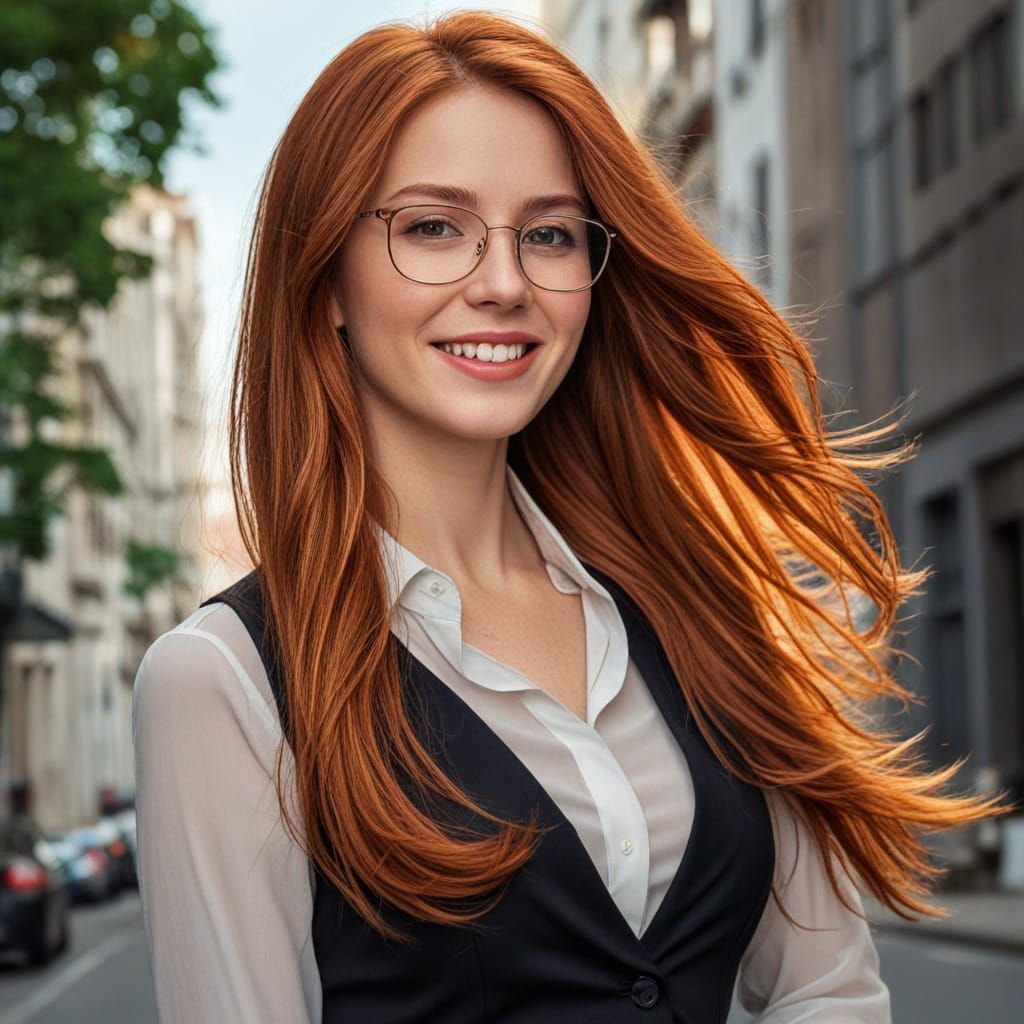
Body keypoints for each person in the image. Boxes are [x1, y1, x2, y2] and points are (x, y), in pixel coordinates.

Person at [131, 11, 1006, 1023]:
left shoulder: (699, 610)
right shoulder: (223, 682)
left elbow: (828, 989)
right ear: (324, 275)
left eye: (547, 233)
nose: (503, 283)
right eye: (432, 227)